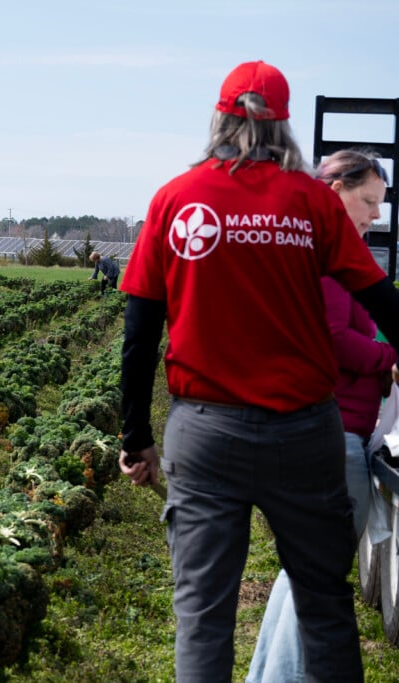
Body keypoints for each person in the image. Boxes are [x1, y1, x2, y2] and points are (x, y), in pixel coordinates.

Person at [118, 60, 399, 683]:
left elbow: (138, 336)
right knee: (324, 606)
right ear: (284, 126)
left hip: (205, 431)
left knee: (203, 615)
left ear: (220, 118)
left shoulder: (176, 200)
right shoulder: (309, 203)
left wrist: (135, 437)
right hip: (304, 434)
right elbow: (385, 306)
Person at [246, 150, 397, 683]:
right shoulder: (330, 259)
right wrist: (388, 358)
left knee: (304, 575)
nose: (376, 216)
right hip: (331, 433)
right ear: (334, 192)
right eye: (369, 202)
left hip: (318, 430)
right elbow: (330, 341)